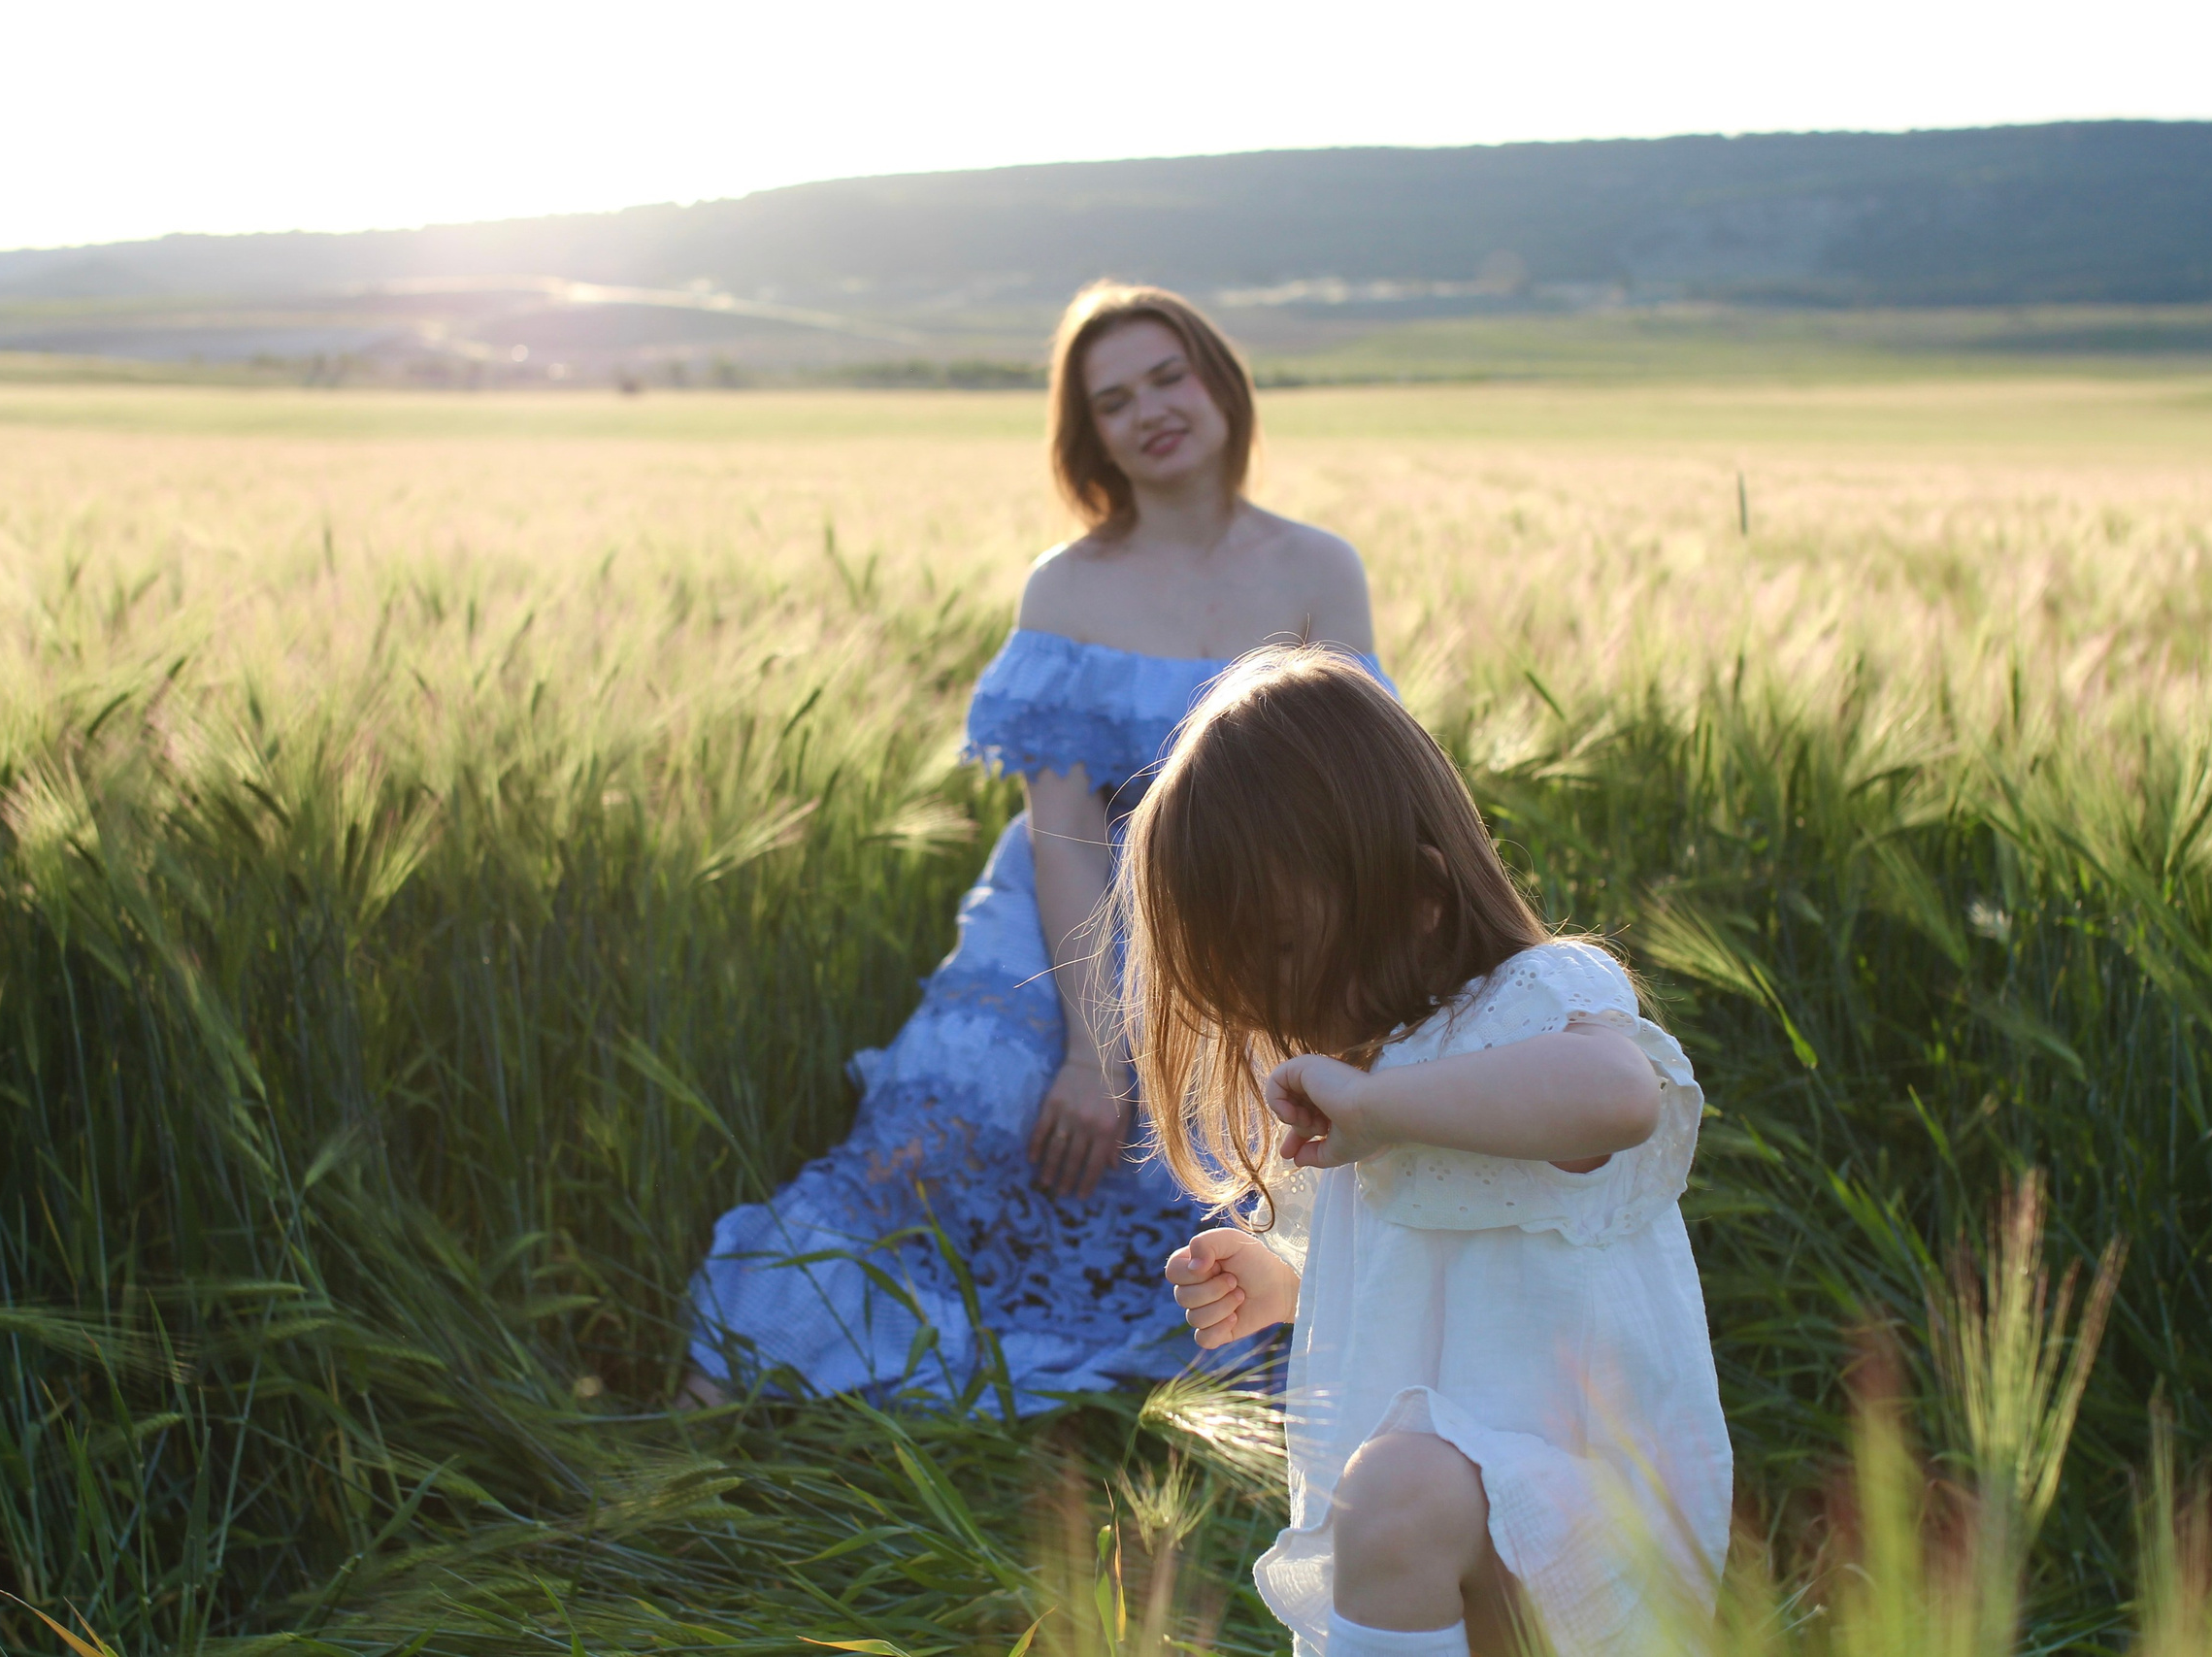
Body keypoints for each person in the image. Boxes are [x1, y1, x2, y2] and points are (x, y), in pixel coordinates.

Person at [683, 282, 1379, 1405]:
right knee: (946, 1121)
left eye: (1167, 376)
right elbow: (1061, 836)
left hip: (1256, 918)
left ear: (1219, 382)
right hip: (1068, 911)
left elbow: (1347, 795)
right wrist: (1093, 1053)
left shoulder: (1317, 569)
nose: (1149, 410)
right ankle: (738, 1377)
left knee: (1249, 1152)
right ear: (1088, 434)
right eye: (1114, 400)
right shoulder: (1065, 586)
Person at [1132, 649, 1731, 1657]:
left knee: (1397, 1489)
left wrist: (1384, 1107)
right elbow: (1420, 1270)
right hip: (1468, 1541)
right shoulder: (1372, 1081)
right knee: (1396, 1492)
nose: (1271, 1005)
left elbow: (1620, 1096)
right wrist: (1288, 1284)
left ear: (1418, 895)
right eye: (1239, 981)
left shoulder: (1535, 1001)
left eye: (1282, 952)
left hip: (1593, 1521)